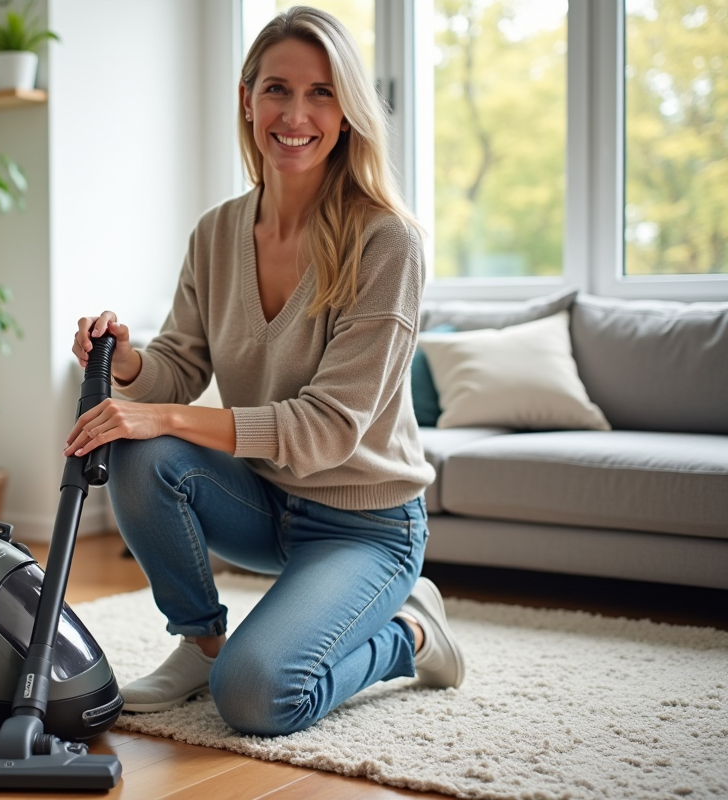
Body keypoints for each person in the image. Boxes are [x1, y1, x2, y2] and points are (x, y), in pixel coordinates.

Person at [66, 6, 464, 737]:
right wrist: (127, 364)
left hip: (365, 527)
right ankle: (203, 641)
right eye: (277, 89)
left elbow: (325, 430)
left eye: (321, 94)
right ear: (246, 100)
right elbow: (179, 368)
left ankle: (411, 635)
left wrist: (163, 414)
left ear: (347, 113)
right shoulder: (217, 232)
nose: (296, 114)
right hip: (265, 503)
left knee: (253, 698)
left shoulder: (388, 242)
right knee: (137, 446)